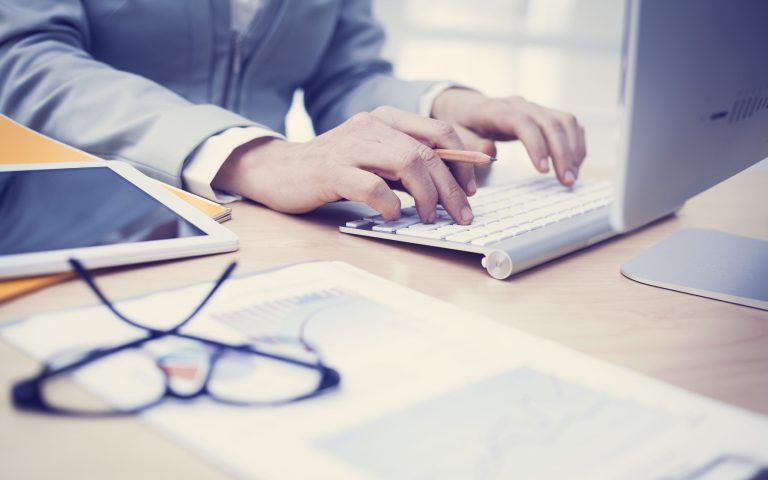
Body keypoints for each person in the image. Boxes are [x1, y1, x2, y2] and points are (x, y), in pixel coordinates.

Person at [0, 0, 586, 226]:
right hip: (74, 225)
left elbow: (347, 77)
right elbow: (20, 56)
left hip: (262, 230)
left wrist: (446, 108)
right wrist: (251, 156)